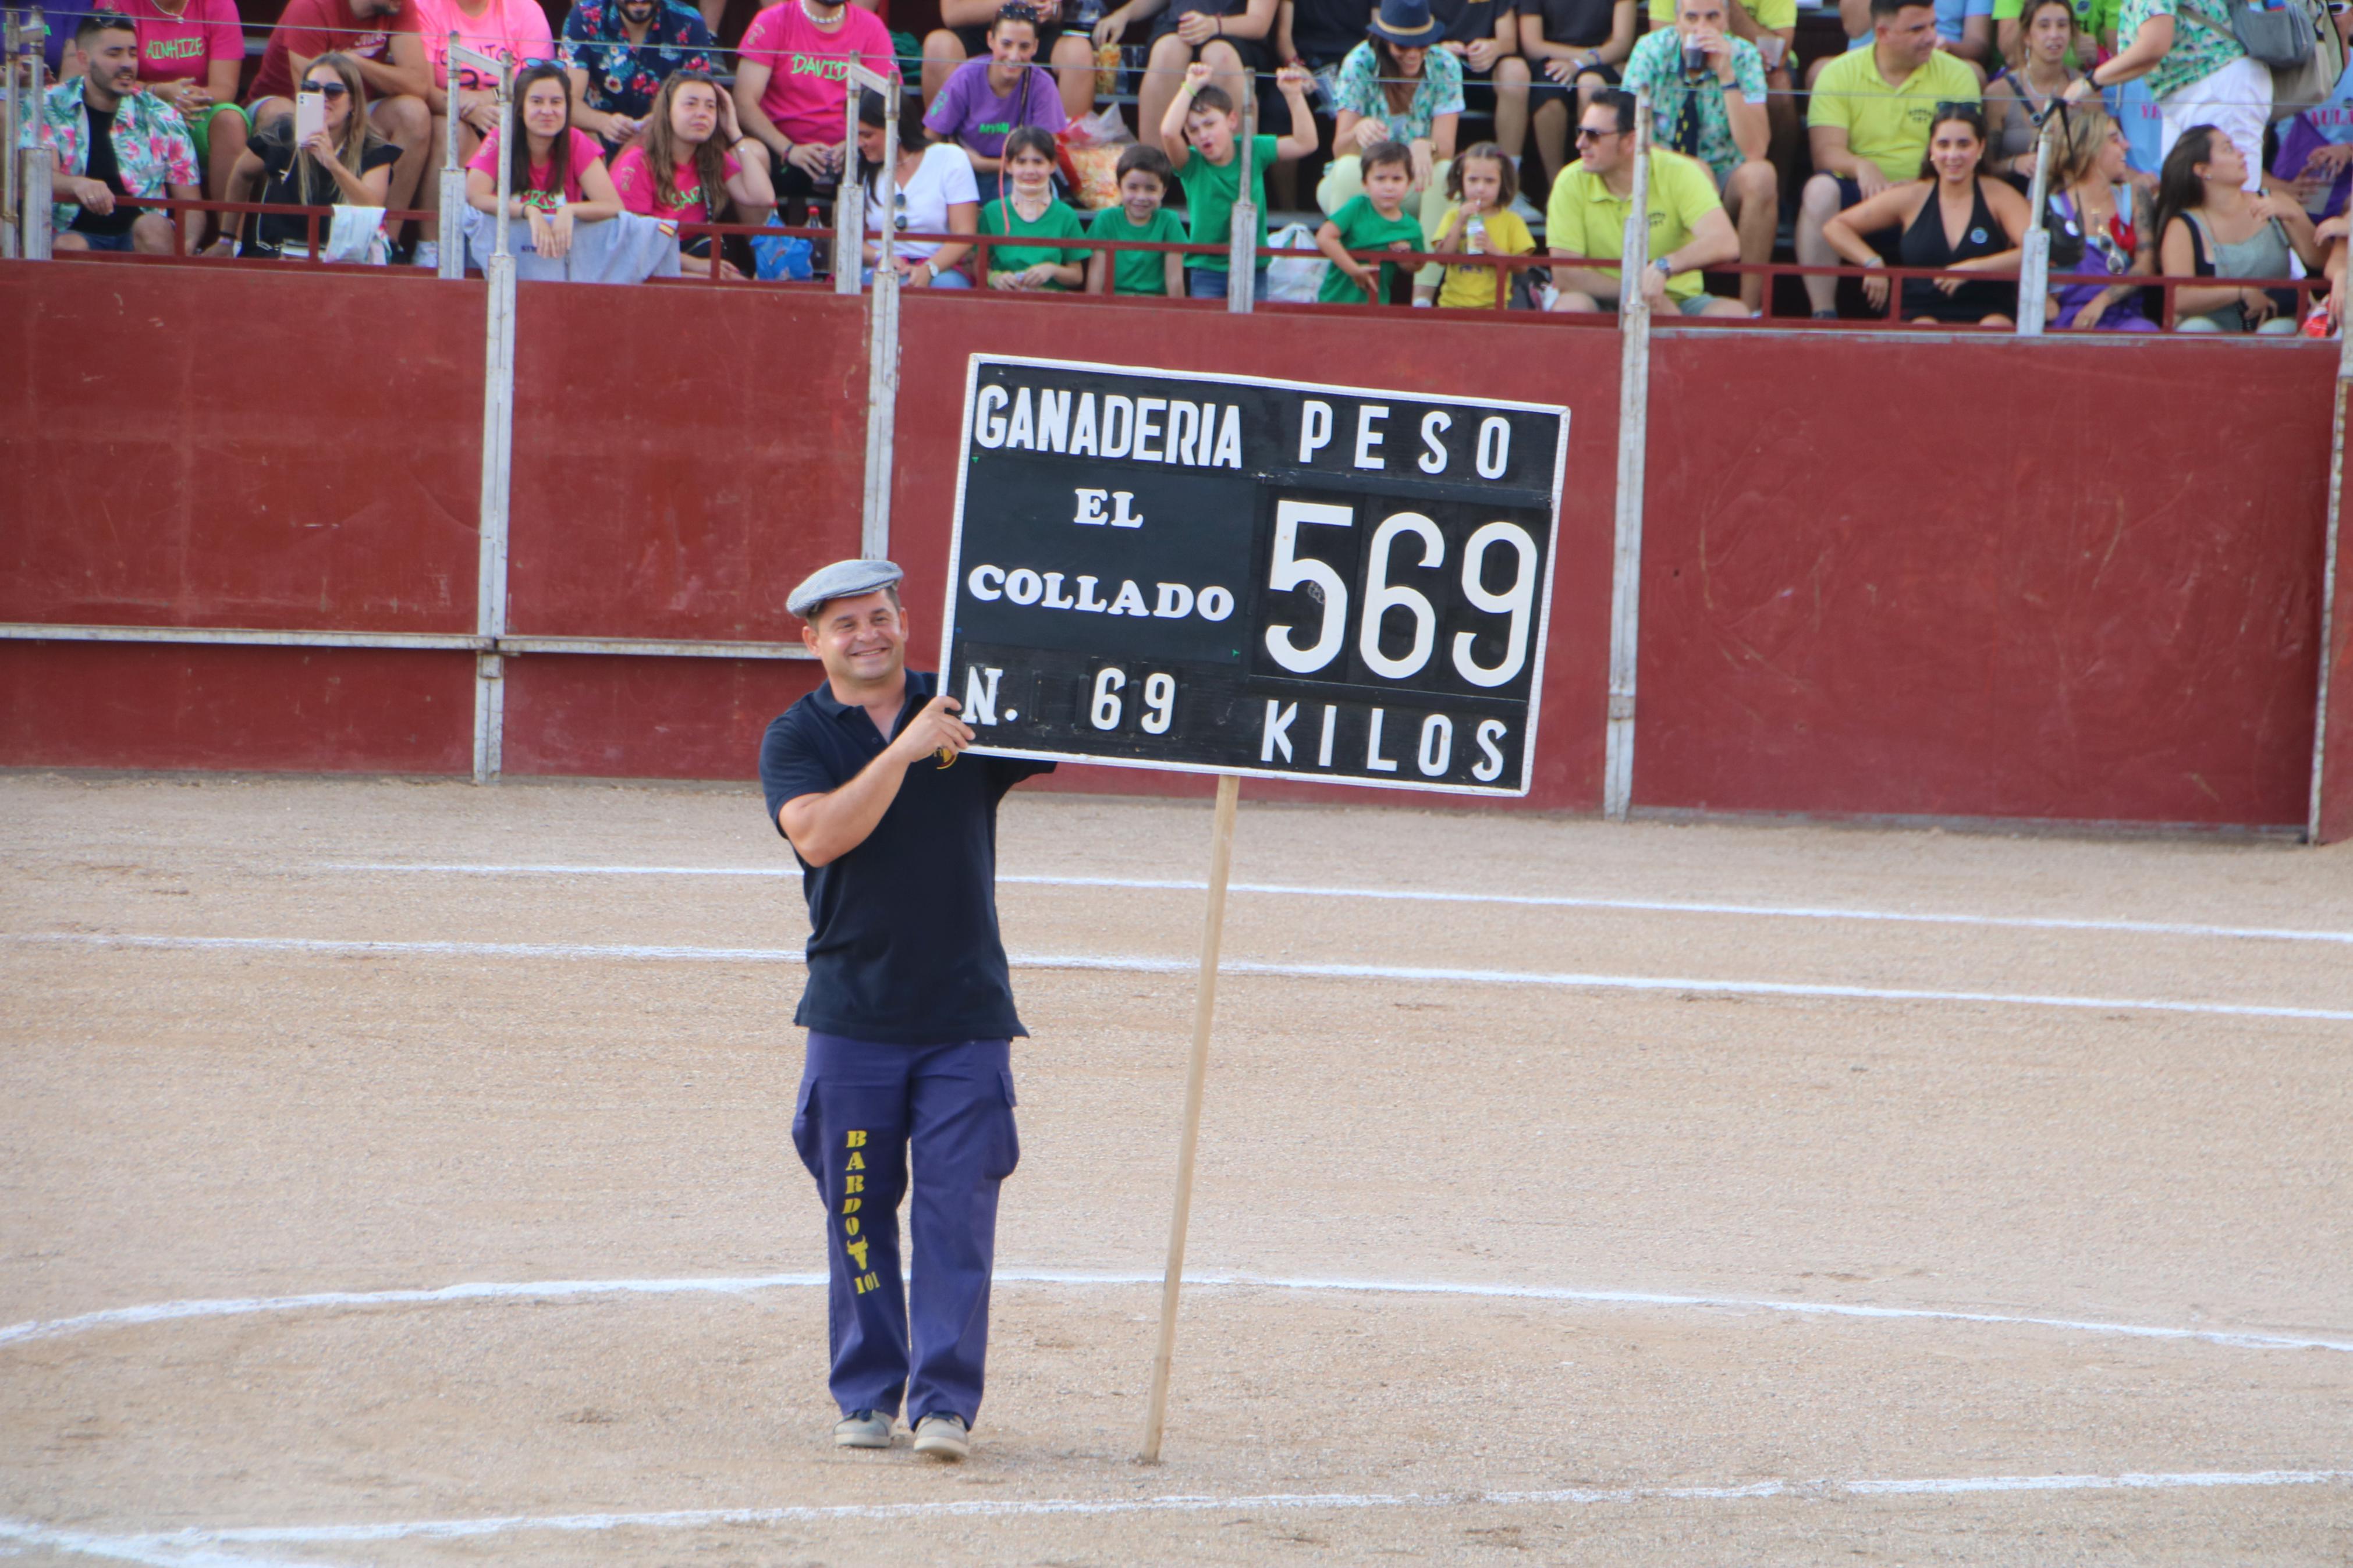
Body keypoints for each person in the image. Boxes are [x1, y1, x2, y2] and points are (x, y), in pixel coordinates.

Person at [758, 559, 1052, 1466]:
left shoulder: (966, 703)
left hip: (966, 1011)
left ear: (904, 618)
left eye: (880, 615)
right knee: (856, 1209)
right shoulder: (798, 735)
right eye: (844, 624)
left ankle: (944, 1405)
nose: (867, 634)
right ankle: (866, 1393)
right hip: (853, 1015)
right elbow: (819, 833)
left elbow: (1084, 717)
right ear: (812, 640)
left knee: (956, 1214)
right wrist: (905, 749)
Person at [1798, 0, 1981, 318]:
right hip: (1864, 194)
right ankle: (1823, 314)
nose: (1931, 37)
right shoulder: (1839, 73)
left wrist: (1922, 183)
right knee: (1819, 190)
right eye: (1917, 29)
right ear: (1882, 33)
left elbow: (1966, 153)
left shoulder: (1958, 75)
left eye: (1933, 26)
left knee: (1960, 188)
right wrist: (1861, 166)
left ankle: (1938, 314)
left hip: (1931, 192)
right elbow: (1824, 154)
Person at [1620, 0, 1773, 310]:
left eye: (1712, 17)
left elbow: (1756, 148)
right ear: (1677, 21)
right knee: (1690, 172)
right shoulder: (1651, 50)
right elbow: (1628, 134)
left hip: (1722, 178)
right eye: (1692, 17)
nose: (1701, 28)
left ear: (1727, 21)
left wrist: (1727, 75)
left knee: (1762, 175)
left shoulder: (1743, 56)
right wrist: (1687, 168)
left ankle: (1751, 307)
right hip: (1660, 175)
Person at [245, 0, 434, 244]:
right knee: (282, 116)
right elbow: (312, 102)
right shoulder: (311, 6)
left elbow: (418, 84)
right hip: (287, 102)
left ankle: (387, 242)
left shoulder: (396, 5)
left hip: (352, 106)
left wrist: (355, 63)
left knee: (414, 114)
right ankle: (263, 239)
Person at [1820, 100, 2026, 322]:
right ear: (1931, 149)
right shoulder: (1913, 195)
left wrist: (1973, 269)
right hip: (1921, 307)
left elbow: (2041, 250)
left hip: (1988, 307)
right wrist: (1871, 262)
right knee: (1924, 328)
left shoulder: (2000, 195)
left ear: (1980, 148)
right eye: (1944, 145)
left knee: (1994, 327)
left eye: (1964, 144)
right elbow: (1836, 227)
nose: (1953, 155)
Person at [1546, 85, 1747, 311]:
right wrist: (1638, 292)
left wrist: (1664, 267)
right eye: (1580, 132)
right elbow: (1566, 275)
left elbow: (1725, 241)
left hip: (1678, 299)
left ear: (1631, 141)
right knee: (1571, 307)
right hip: (1602, 298)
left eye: (1593, 135)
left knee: (1734, 312)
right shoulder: (1569, 180)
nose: (1580, 144)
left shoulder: (1680, 172)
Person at [20, 11, 201, 254]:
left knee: (154, 228)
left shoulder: (162, 115)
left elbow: (190, 204)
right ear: (84, 60)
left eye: (133, 53)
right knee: (70, 246)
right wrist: (77, 185)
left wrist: (186, 249)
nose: (127, 63)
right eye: (114, 54)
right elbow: (36, 174)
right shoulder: (46, 105)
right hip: (72, 232)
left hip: (142, 238)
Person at [2061, 0, 2269, 191]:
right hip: (2181, 95)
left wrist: (2090, 82)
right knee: (2180, 195)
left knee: (2234, 192)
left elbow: (2154, 46)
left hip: (2218, 86)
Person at [215, 53, 403, 257]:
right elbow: (242, 173)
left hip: (338, 259)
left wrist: (333, 165)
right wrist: (227, 237)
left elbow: (372, 209)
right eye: (311, 89)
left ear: (353, 103)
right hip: (277, 255)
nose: (321, 99)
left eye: (333, 91)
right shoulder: (283, 133)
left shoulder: (373, 148)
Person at [1160, 59, 1318, 299]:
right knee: (1209, 333)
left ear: (1233, 121)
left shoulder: (1252, 148)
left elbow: (1305, 143)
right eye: (1193, 130)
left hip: (1253, 266)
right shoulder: (1191, 163)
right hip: (1207, 269)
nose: (1203, 135)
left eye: (1210, 124)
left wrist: (1294, 96)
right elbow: (1168, 132)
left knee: (1251, 333)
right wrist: (1190, 86)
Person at [416, 0, 556, 266]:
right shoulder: (427, 7)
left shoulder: (524, 9)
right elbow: (422, 87)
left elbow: (542, 84)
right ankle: (431, 248)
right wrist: (466, 109)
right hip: (453, 116)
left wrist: (486, 98)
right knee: (449, 132)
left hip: (513, 119)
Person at [735, 0, 898, 225]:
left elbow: (888, 101)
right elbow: (744, 101)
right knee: (745, 154)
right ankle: (771, 258)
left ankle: (856, 258)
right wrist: (788, 149)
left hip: (848, 154)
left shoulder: (871, 26)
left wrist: (854, 143)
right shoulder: (773, 20)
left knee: (890, 155)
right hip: (782, 151)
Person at [2155, 124, 2326, 330]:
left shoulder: (2273, 200)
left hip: (2277, 321)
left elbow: (2320, 260)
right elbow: (2179, 297)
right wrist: (2241, 291)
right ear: (2203, 170)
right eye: (2228, 149)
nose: (2241, 153)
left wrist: (2295, 216)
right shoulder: (2183, 226)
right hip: (2214, 329)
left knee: (2276, 332)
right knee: (2197, 328)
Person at [1317, 0, 1463, 237]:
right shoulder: (1359, 62)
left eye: (1422, 44)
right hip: (1363, 186)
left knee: (1445, 170)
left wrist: (1428, 147)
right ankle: (1351, 269)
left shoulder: (1446, 64)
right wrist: (1357, 131)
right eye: (1403, 46)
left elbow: (1446, 147)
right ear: (1385, 40)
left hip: (1414, 184)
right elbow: (1340, 150)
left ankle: (1426, 271)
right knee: (1346, 168)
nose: (1413, 54)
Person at [612, 70, 776, 278]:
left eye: (711, 106)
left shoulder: (711, 156)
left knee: (737, 285)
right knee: (726, 285)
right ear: (668, 110)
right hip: (647, 262)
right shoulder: (637, 162)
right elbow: (633, 241)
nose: (702, 113)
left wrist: (734, 131)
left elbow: (762, 197)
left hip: (691, 254)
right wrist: (697, 266)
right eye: (691, 104)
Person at [464, 59, 622, 261]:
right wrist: (529, 212)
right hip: (507, 253)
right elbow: (474, 196)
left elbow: (613, 206)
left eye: (556, 102)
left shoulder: (576, 140)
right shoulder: (501, 137)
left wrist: (570, 210)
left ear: (567, 108)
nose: (547, 111)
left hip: (558, 258)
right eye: (537, 102)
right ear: (520, 108)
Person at [107, 0, 249, 214]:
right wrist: (159, 92)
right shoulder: (118, 4)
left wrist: (191, 97)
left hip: (196, 108)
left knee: (230, 121)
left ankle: (229, 240)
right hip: (138, 105)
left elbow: (225, 88)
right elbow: (107, 75)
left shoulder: (219, 5)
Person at [1098, 0, 1279, 168]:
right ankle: (1151, 174)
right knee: (1168, 51)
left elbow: (1259, 23)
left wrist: (1214, 25)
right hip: (1179, 26)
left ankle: (1235, 177)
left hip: (1235, 34)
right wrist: (1124, 14)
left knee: (1220, 56)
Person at [924, 4, 1069, 205]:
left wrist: (984, 164)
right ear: (991, 40)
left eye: (1024, 47)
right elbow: (930, 138)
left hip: (1016, 176)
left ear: (1035, 47)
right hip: (963, 172)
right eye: (1006, 44)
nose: (1014, 56)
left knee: (1037, 194)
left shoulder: (1042, 84)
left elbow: (1045, 155)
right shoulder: (966, 76)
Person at [2039, 101, 2157, 327]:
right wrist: (2046, 301)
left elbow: (2146, 264)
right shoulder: (2050, 206)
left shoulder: (2134, 197)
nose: (2126, 145)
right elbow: (2027, 264)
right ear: (2089, 149)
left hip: (2124, 314)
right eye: (2115, 140)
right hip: (2069, 317)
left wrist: (2102, 302)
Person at [857, 89, 980, 286]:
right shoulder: (858, 166)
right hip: (880, 266)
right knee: (869, 284)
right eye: (856, 135)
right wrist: (880, 257)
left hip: (940, 267)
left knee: (948, 287)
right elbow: (851, 238)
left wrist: (929, 269)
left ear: (894, 128)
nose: (859, 143)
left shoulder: (950, 158)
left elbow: (964, 233)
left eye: (867, 135)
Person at [559, 0, 719, 151]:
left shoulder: (689, 21)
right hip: (599, 138)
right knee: (581, 138)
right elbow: (568, 99)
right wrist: (603, 123)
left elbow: (699, 100)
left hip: (664, 141)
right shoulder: (584, 14)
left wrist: (659, 121)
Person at [1518, 0, 1633, 185]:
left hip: (1602, 62)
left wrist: (1581, 63)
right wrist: (1581, 58)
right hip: (1553, 61)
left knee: (1590, 85)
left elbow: (1621, 42)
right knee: (1549, 98)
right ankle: (1556, 185)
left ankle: (1593, 181)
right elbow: (1533, 45)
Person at [924, 0, 1096, 120]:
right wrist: (1016, 3)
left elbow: (1057, 12)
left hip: (1033, 34)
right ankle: (946, 149)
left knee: (1078, 52)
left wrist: (1050, 10)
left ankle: (1063, 156)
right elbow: (951, 14)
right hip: (975, 33)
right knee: (938, 45)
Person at [1982, 0, 2084, 186]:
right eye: (2044, 26)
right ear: (2027, 36)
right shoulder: (1999, 92)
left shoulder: (2086, 90)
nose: (2054, 35)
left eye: (2062, 26)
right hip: (2013, 194)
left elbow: (2099, 157)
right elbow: (1985, 167)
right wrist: (2014, 164)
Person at [975, 123, 1089, 286]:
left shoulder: (1066, 215)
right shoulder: (992, 211)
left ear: (1052, 165)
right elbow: (976, 265)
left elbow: (1077, 276)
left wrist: (1052, 270)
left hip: (1049, 305)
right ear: (1008, 165)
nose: (1030, 170)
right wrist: (995, 279)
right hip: (1002, 303)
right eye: (1021, 162)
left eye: (1038, 162)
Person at [1428, 139, 1536, 304]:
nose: (1480, 188)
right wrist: (1459, 222)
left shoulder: (1512, 221)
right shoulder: (1453, 216)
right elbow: (1442, 258)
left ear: (1502, 183)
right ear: (1462, 180)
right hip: (1452, 305)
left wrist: (1493, 250)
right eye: (1472, 180)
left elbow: (1522, 267)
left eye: (1490, 181)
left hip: (1494, 308)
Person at [1316, 137, 1424, 300]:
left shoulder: (1411, 227)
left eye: (1397, 179)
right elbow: (1325, 238)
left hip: (1376, 304)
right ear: (1365, 184)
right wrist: (1354, 270)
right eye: (1380, 179)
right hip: (1336, 300)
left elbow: (1416, 265)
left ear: (1409, 184)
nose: (1389, 187)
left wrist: (1403, 257)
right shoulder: (1357, 207)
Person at [1085, 141, 1188, 294]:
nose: (1141, 197)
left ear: (1163, 192)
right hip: (1113, 305)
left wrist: (1176, 316)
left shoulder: (1169, 221)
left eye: (1151, 189)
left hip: (1154, 309)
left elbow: (1174, 280)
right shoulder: (1106, 219)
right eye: (1133, 187)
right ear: (1120, 187)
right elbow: (1096, 276)